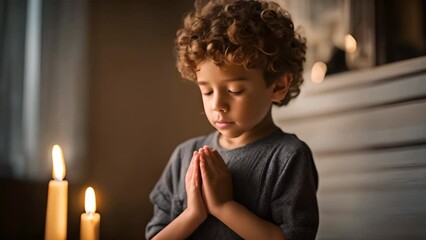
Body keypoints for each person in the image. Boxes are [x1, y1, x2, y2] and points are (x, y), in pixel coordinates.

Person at [146, 0, 319, 239]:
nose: (217, 104)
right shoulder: (184, 157)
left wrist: (223, 207)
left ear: (278, 86)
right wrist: (193, 214)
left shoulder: (288, 157)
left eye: (235, 90)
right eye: (206, 91)